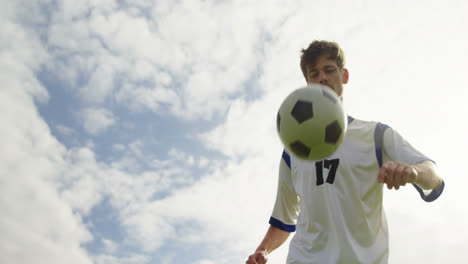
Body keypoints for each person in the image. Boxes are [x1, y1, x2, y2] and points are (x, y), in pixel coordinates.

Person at [246, 40, 445, 264]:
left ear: (345, 76)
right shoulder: (293, 151)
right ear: (308, 84)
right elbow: (284, 219)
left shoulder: (376, 135)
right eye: (314, 74)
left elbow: (434, 178)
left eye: (329, 70)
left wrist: (414, 173)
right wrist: (263, 250)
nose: (322, 77)